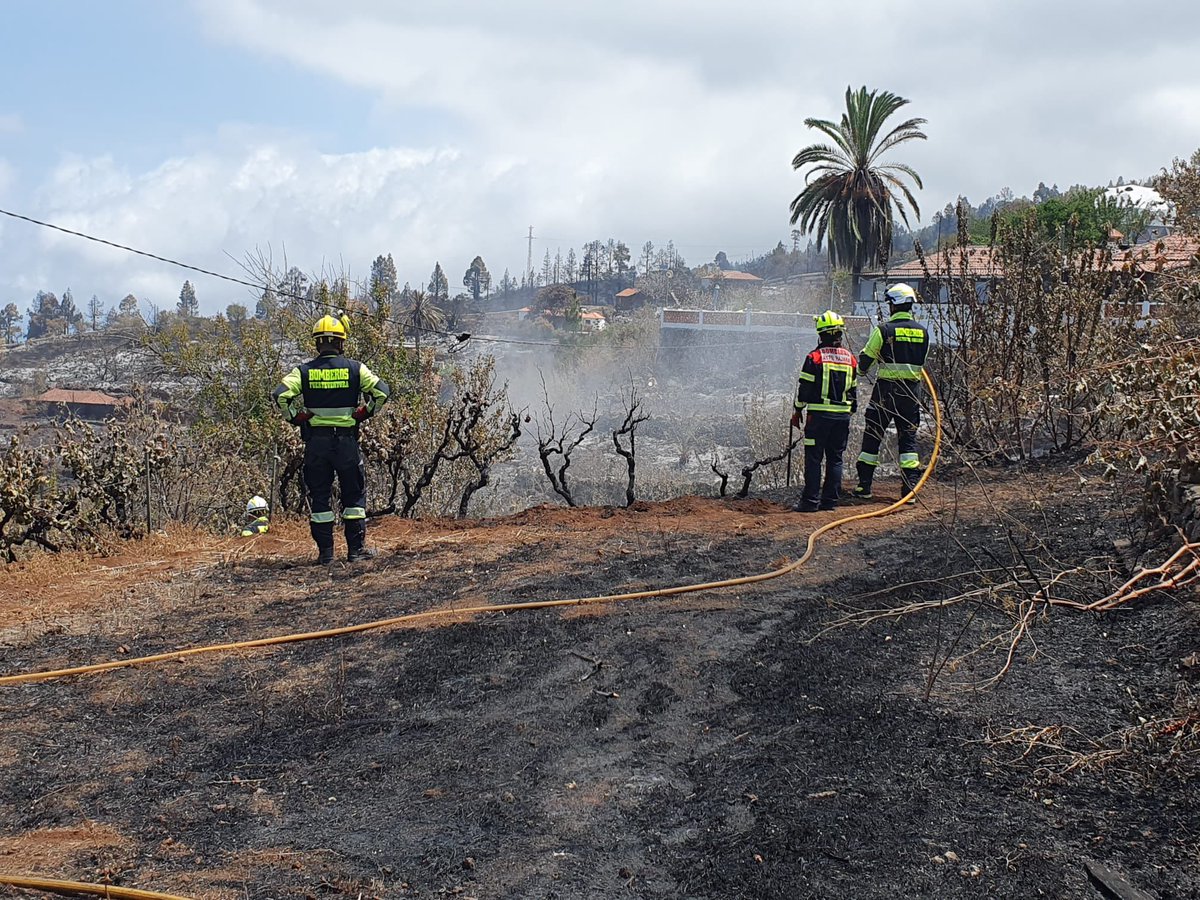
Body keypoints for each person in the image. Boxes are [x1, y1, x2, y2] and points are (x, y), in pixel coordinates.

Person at [272, 313, 391, 564]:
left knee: (320, 497)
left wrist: (296, 417)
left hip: (316, 444)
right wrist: (364, 413)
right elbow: (382, 391)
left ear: (317, 343)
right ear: (341, 343)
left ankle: (326, 555)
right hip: (346, 443)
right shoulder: (355, 368)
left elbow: (281, 395)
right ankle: (355, 552)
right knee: (354, 497)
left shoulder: (303, 371)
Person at [853, 283, 930, 504]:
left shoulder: (883, 331)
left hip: (885, 392)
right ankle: (909, 491)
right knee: (908, 442)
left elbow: (864, 363)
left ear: (893, 305)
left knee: (872, 438)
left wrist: (860, 368)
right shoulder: (922, 333)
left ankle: (864, 487)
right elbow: (920, 363)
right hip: (911, 394)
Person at [791, 310, 858, 512]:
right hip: (842, 418)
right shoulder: (851, 359)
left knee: (814, 458)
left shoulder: (814, 358)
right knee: (835, 459)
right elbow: (853, 392)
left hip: (818, 417)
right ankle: (830, 503)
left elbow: (805, 390)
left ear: (820, 334)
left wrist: (797, 411)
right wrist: (847, 413)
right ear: (839, 334)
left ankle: (810, 502)